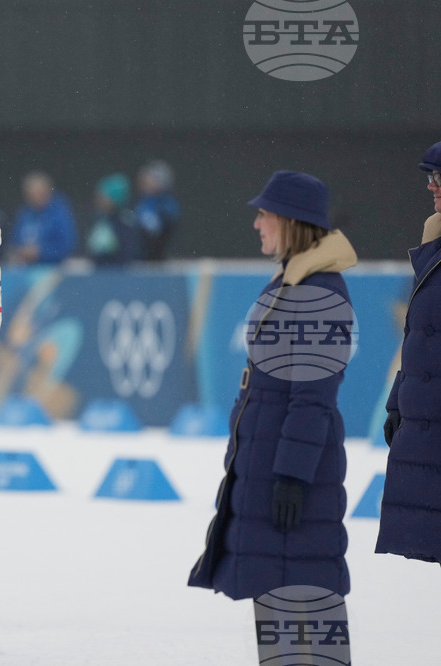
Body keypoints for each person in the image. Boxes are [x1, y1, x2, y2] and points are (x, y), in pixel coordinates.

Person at [187, 171, 356, 661]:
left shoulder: (318, 290)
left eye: (264, 214)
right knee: (281, 609)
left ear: (290, 221)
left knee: (304, 606)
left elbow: (313, 394)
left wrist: (290, 475)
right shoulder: (292, 280)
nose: (257, 224)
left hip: (292, 477)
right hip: (270, 469)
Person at [377, 141, 441, 563]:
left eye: (440, 178)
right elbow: (424, 335)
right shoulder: (433, 252)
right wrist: (400, 399)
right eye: (431, 179)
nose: (433, 187)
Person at [9, 171, 77, 264]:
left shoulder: (59, 212)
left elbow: (67, 244)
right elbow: (14, 239)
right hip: (26, 268)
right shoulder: (24, 212)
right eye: (30, 194)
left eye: (38, 193)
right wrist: (19, 251)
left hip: (54, 268)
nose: (34, 198)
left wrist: (41, 252)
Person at [86, 173, 141, 264]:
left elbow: (127, 254)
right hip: (100, 273)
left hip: (117, 274)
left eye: (102, 197)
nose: (97, 200)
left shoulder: (124, 221)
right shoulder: (100, 219)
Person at [133, 160, 180, 261]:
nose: (143, 183)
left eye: (148, 180)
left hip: (158, 261)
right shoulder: (142, 201)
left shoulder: (167, 204)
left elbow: (158, 233)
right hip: (138, 260)